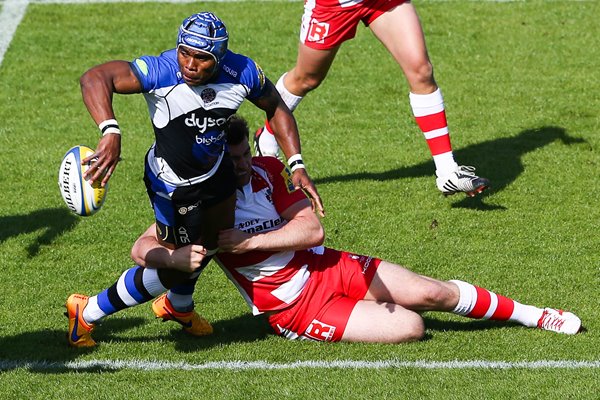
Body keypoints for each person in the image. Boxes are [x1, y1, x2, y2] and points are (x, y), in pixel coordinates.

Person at [66, 116, 581, 347]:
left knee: (432, 292)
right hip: (295, 306)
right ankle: (106, 312)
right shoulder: (200, 200)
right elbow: (142, 247)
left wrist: (248, 243)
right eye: (238, 158)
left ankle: (539, 317)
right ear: (219, 159)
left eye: (249, 154)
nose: (248, 165)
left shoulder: (267, 173)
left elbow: (311, 227)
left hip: (325, 264)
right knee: (410, 326)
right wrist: (177, 262)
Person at [72, 12, 323, 341]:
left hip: (218, 174)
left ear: (218, 57)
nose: (190, 64)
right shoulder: (161, 71)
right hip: (172, 186)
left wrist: (297, 163)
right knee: (178, 261)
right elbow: (94, 77)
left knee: (212, 244)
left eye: (201, 58)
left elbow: (276, 106)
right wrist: (110, 130)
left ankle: (178, 305)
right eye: (184, 52)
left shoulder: (243, 72)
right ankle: (89, 310)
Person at [253, 0, 489, 197]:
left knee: (421, 70)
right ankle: (268, 136)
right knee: (307, 78)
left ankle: (448, 171)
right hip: (335, 5)